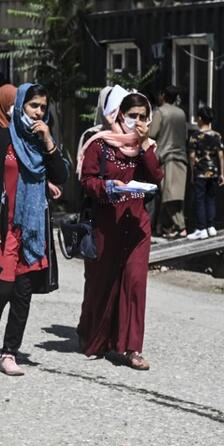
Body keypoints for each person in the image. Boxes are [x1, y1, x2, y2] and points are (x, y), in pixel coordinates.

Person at [0, 83, 68, 376]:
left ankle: (10, 352)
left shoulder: (41, 142)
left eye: (43, 107)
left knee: (22, 293)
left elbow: (61, 174)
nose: (39, 112)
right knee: (2, 287)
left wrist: (50, 141)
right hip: (6, 226)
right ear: (20, 108)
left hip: (33, 230)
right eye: (33, 106)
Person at [77, 88, 163, 370]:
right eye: (132, 115)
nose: (137, 121)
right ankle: (96, 338)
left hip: (137, 226)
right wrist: (107, 188)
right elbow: (87, 181)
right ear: (119, 115)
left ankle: (132, 348)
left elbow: (156, 177)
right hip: (107, 225)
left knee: (135, 284)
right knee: (103, 283)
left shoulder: (145, 149)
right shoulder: (100, 144)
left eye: (143, 116)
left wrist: (147, 144)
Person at [149, 85, 188, 238]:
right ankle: (166, 228)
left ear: (163, 95)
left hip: (165, 158)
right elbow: (184, 135)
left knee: (168, 195)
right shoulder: (181, 113)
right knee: (176, 195)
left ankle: (180, 226)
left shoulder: (160, 112)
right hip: (181, 157)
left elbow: (152, 133)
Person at [187, 105, 223, 240]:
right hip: (213, 172)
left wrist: (192, 173)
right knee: (211, 199)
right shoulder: (217, 135)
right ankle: (211, 226)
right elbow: (221, 156)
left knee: (200, 200)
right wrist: (222, 173)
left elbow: (191, 156)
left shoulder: (195, 136)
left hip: (200, 173)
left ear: (200, 119)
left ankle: (201, 228)